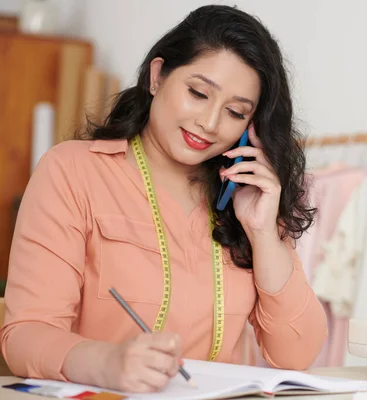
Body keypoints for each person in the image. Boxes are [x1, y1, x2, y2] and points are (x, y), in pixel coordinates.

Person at [0, 4, 327, 393]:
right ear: (157, 76)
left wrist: (262, 234)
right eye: (197, 93)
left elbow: (296, 355)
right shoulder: (72, 171)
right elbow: (24, 335)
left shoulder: (245, 199)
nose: (209, 123)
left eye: (235, 112)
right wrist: (107, 364)